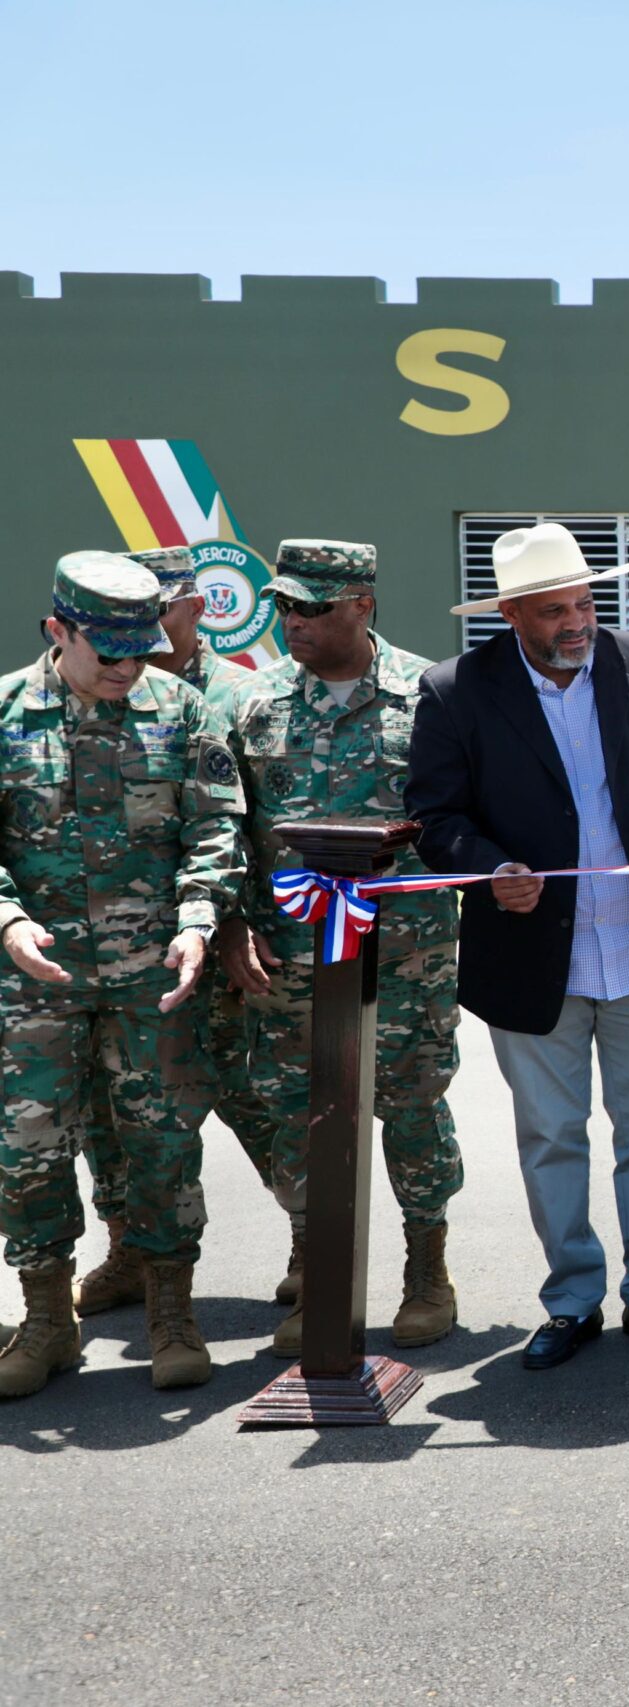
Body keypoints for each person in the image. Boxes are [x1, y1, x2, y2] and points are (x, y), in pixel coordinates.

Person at [410, 522, 629, 1370]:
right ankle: (573, 1298)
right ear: (510, 613)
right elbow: (434, 820)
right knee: (552, 1136)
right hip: (532, 958)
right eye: (554, 610)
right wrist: (488, 865)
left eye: (585, 602)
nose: (577, 622)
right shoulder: (457, 690)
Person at [0, 554, 240, 1396]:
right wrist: (8, 916)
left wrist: (199, 917)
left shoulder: (183, 712)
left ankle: (172, 1311)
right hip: (36, 980)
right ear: (57, 630)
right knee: (27, 1151)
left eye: (141, 652)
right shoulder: (4, 713)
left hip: (152, 978)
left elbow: (215, 832)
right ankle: (45, 1319)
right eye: (109, 653)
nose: (129, 669)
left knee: (162, 1142)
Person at [222, 540, 467, 1359]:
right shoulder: (253, 704)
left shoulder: (429, 696)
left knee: (413, 1104)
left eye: (314, 607)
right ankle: (321, 1270)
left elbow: (457, 820)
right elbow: (230, 832)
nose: (294, 621)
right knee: (300, 1114)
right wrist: (231, 924)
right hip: (293, 959)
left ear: (363, 605)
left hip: (403, 955)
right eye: (286, 605)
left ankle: (426, 1267)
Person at [72, 543, 266, 1318]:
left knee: (251, 1094)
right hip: (119, 959)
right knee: (107, 1111)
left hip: (222, 938)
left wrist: (232, 920)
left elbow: (250, 827)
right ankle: (127, 1247)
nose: (147, 633)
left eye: (162, 611)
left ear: (195, 608)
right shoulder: (80, 686)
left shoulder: (234, 696)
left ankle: (308, 1243)